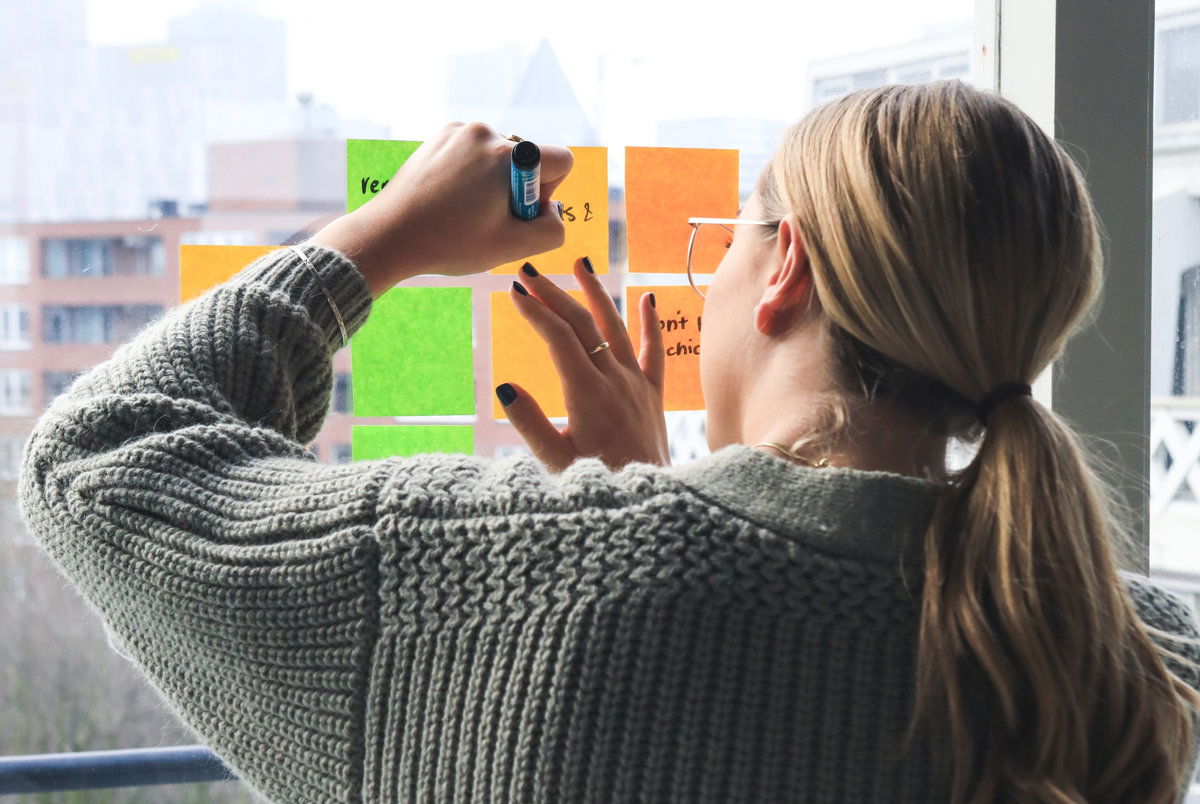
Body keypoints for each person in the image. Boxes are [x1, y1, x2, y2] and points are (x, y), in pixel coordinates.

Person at [18, 80, 1200, 803]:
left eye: (736, 235)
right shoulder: (1125, 657)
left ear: (784, 266)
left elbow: (97, 461)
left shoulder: (494, 592)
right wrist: (659, 496)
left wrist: (384, 236)